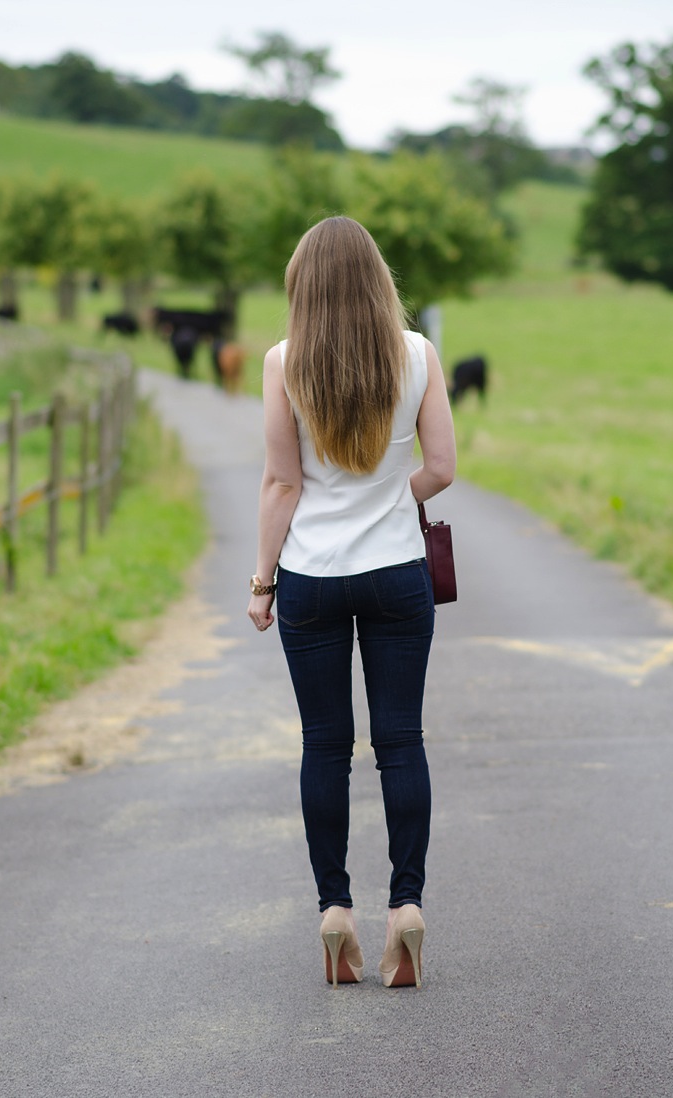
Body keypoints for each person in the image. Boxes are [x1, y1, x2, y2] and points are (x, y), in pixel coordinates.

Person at [247, 216, 456, 989]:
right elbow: (441, 466)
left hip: (311, 575)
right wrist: (383, 504)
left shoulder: (282, 361)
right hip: (397, 570)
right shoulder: (417, 353)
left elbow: (282, 483)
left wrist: (262, 582)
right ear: (377, 278)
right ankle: (406, 907)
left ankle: (335, 911)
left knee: (323, 747)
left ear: (302, 282)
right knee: (401, 742)